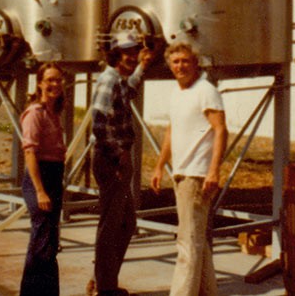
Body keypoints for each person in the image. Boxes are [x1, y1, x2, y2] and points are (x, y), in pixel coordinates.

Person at [150, 42, 228, 296]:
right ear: (169, 65)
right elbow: (172, 131)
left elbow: (220, 130)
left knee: (187, 244)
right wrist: (160, 166)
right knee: (196, 241)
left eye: (185, 61)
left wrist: (213, 171)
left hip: (197, 175)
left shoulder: (205, 91)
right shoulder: (177, 93)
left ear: (196, 63)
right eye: (175, 62)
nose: (180, 66)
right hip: (181, 174)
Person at [90, 32, 154, 296]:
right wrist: (119, 154)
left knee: (126, 222)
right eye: (127, 52)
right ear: (115, 54)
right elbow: (98, 122)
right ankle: (105, 288)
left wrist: (142, 67)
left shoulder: (119, 80)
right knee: (111, 225)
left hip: (117, 158)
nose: (131, 56)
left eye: (135, 51)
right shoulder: (108, 79)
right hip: (111, 159)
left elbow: (129, 90)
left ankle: (103, 280)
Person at [19, 62, 67, 296]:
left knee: (49, 240)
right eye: (50, 80)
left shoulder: (54, 112)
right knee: (41, 241)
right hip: (40, 178)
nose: (55, 84)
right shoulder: (34, 114)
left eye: (58, 80)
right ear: (40, 83)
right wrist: (40, 191)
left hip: (54, 175)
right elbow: (30, 153)